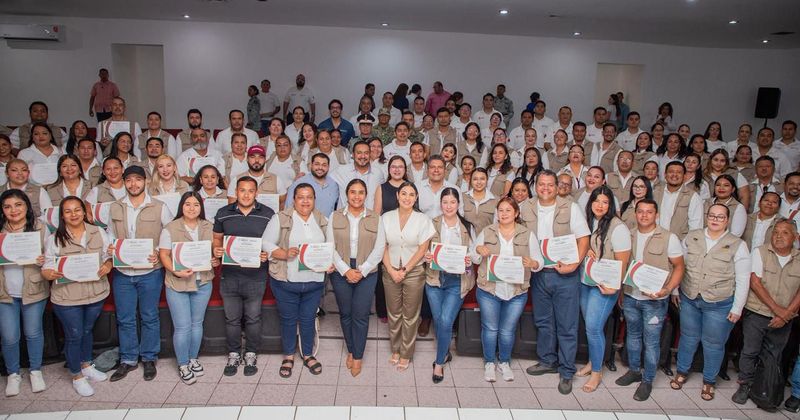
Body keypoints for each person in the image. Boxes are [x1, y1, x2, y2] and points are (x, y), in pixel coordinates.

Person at [669, 203, 751, 401]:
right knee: (688, 337)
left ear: (727, 220)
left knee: (713, 344)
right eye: (712, 215)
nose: (715, 219)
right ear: (707, 217)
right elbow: (679, 265)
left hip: (719, 303)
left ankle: (709, 381)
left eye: (720, 217)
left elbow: (743, 278)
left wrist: (737, 307)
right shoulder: (692, 236)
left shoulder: (737, 244)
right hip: (690, 298)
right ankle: (682, 371)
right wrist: (674, 289)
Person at [522, 170, 591, 395]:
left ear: (556, 186)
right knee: (544, 321)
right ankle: (547, 361)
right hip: (539, 273)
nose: (545, 188)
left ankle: (567, 370)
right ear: (536, 186)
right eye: (541, 184)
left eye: (550, 185)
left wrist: (575, 264)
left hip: (565, 274)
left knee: (567, 325)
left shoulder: (570, 207)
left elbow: (583, 238)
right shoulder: (526, 206)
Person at [614, 199, 685, 401]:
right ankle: (634, 371)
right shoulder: (628, 235)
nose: (644, 215)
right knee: (633, 336)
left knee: (652, 342)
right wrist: (620, 291)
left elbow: (679, 267)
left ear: (657, 215)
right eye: (640, 212)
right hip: (630, 295)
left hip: (655, 300)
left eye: (649, 212)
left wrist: (668, 289)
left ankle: (648, 380)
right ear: (635, 214)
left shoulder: (668, 238)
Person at [107, 165, 172, 382]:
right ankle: (128, 359)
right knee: (125, 318)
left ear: (145, 181)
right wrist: (110, 248)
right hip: (123, 272)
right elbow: (109, 233)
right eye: (129, 180)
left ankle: (149, 358)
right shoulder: (115, 207)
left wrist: (158, 252)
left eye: (137, 180)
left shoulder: (159, 206)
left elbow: (170, 233)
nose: (133, 184)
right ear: (124, 183)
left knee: (149, 316)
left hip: (150, 271)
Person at [42, 195, 112, 396]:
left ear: (84, 212)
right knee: (74, 335)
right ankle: (76, 375)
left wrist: (107, 266)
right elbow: (46, 266)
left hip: (95, 292)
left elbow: (108, 257)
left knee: (87, 330)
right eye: (68, 211)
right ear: (62, 216)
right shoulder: (54, 238)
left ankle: (86, 365)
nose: (73, 214)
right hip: (67, 296)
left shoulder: (97, 231)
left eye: (77, 210)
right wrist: (49, 272)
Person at [262, 183, 330, 377]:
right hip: (286, 280)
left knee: (308, 319)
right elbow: (266, 242)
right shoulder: (280, 218)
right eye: (301, 197)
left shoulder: (322, 219)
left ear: (314, 199)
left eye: (309, 197)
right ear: (294, 199)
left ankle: (307, 354)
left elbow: (329, 246)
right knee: (288, 319)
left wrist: (329, 262)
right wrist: (283, 253)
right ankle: (289, 356)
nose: (305, 201)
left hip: (314, 281)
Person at [474, 197, 544, 382]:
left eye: (508, 210)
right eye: (501, 210)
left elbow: (539, 261)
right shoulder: (487, 231)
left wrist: (534, 263)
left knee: (507, 330)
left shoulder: (527, 234)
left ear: (516, 213)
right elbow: (472, 257)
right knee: (490, 328)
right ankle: (489, 362)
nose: (503, 214)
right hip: (489, 289)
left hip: (516, 291)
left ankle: (504, 362)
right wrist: (478, 250)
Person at [732, 219, 800, 405]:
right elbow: (755, 283)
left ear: (795, 237)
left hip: (786, 317)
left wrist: (786, 315)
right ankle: (744, 384)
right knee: (750, 351)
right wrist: (779, 311)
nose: (778, 236)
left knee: (773, 354)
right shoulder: (760, 252)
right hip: (758, 312)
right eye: (776, 232)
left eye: (785, 232)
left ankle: (763, 387)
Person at [212, 176, 272, 376]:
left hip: (256, 277)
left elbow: (272, 242)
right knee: (232, 319)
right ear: (236, 192)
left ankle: (251, 353)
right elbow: (216, 240)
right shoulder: (223, 214)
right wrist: (217, 251)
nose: (246, 194)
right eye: (242, 190)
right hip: (229, 276)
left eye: (250, 191)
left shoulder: (268, 214)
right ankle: (234, 353)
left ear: (256, 193)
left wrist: (267, 254)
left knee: (253, 318)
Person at [576, 186, 631, 393]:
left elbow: (622, 262)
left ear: (610, 205)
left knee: (593, 327)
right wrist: (585, 247)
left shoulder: (618, 228)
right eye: (596, 201)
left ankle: (597, 373)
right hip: (586, 281)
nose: (600, 205)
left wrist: (615, 288)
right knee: (589, 326)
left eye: (605, 202)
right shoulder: (588, 222)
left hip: (605, 286)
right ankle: (592, 362)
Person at [158, 192, 218, 384]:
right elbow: (164, 255)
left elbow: (213, 253)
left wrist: (215, 259)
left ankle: (193, 358)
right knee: (182, 327)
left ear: (201, 207)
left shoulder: (209, 226)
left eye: (196, 205)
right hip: (178, 283)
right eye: (187, 204)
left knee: (196, 324)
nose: (192, 208)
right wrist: (175, 270)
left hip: (203, 282)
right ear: (181, 207)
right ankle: (183, 364)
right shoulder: (170, 228)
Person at [327, 179, 385, 377]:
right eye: (353, 192)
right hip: (341, 270)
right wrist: (345, 270)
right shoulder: (334, 217)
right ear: (347, 194)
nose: (357, 196)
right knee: (345, 313)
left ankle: (358, 356)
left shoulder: (376, 218)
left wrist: (362, 270)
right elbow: (330, 246)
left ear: (366, 195)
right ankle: (351, 349)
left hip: (366, 272)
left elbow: (380, 248)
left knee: (360, 315)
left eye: (361, 192)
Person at [380, 181, 435, 371]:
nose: (407, 198)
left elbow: (423, 249)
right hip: (390, 270)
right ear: (397, 196)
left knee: (410, 315)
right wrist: (391, 270)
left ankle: (406, 352)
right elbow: (382, 246)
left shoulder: (423, 220)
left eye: (411, 194)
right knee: (394, 313)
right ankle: (395, 349)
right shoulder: (385, 218)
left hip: (414, 272)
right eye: (404, 193)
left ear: (416, 198)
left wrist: (405, 270)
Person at [0, 190, 49, 397]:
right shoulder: (0, 232)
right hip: (5, 292)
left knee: (33, 332)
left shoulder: (40, 228)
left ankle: (35, 370)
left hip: (33, 289)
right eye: (8, 206)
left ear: (27, 207)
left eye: (18, 205)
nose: (13, 210)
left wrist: (43, 259)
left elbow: (52, 255)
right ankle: (13, 374)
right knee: (9, 336)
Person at [653, 161, 703, 240]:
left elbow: (695, 227)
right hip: (656, 240)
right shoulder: (655, 192)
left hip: (680, 244)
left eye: (679, 172)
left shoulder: (693, 196)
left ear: (684, 176)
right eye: (671, 172)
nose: (674, 175)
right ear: (665, 175)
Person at [333, 140, 384, 210]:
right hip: (345, 218)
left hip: (369, 218)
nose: (363, 156)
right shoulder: (341, 171)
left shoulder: (378, 173)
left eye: (366, 153)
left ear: (370, 155)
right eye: (359, 153)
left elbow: (380, 197)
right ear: (353, 155)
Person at [286, 153, 339, 217]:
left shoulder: (334, 185)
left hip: (327, 225)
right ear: (311, 165)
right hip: (304, 225)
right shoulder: (298, 184)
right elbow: (288, 209)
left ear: (328, 167)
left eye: (324, 165)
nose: (320, 167)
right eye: (317, 164)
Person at [463, 168, 497, 236]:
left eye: (482, 179)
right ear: (471, 181)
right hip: (465, 241)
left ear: (487, 180)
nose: (479, 182)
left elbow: (497, 225)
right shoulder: (462, 197)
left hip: (486, 241)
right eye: (475, 179)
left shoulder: (496, 200)